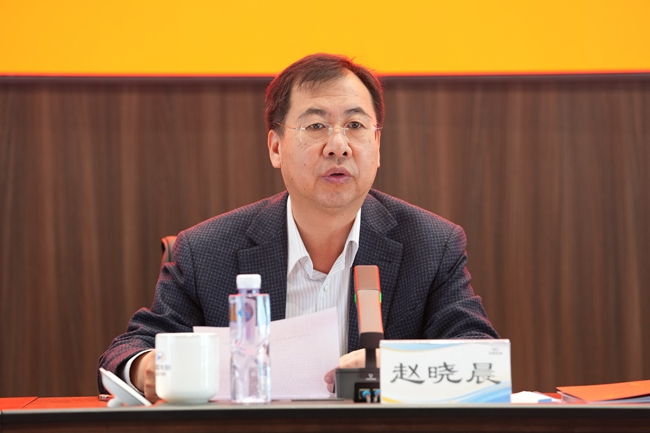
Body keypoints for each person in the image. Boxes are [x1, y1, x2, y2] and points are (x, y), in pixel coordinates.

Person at [98, 53, 499, 402]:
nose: (338, 145)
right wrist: (149, 369)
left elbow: (482, 358)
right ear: (276, 147)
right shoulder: (207, 251)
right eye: (316, 126)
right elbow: (128, 351)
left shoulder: (431, 245)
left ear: (377, 147)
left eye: (356, 125)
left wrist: (394, 366)